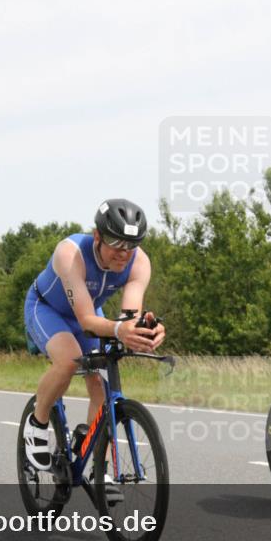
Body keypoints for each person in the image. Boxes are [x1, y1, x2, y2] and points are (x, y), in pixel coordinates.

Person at [23, 199, 165, 470]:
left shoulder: (140, 263)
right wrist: (118, 329)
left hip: (87, 311)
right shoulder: (70, 253)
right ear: (97, 236)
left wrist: (144, 329)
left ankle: (94, 458)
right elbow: (87, 320)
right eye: (117, 243)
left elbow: (128, 317)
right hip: (46, 308)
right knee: (69, 360)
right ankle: (37, 422)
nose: (124, 253)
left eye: (131, 245)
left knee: (101, 380)